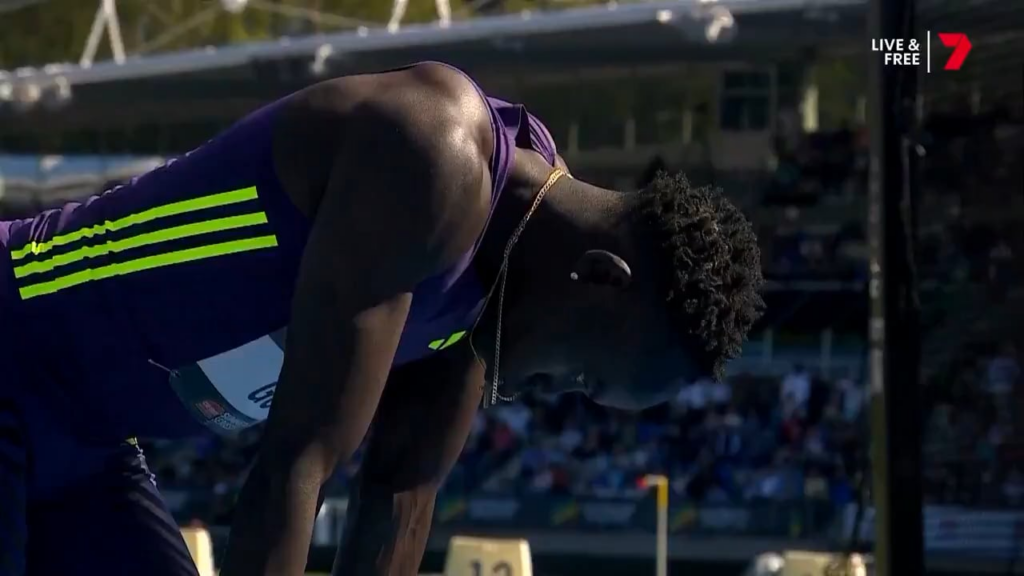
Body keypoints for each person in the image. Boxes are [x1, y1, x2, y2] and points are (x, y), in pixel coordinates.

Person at [0, 61, 764, 576]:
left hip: (88, 450)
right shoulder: (430, 157)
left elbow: (401, 496)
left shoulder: (500, 277)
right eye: (582, 375)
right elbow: (297, 465)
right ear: (598, 278)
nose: (547, 389)